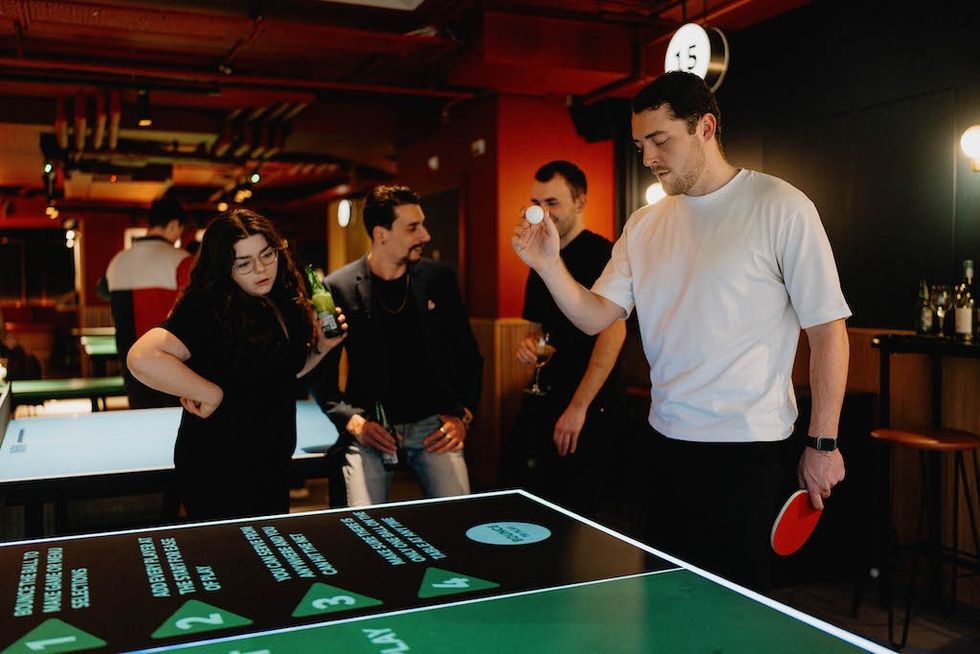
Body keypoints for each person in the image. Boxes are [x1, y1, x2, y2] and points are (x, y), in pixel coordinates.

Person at [512, 71, 850, 590]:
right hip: (662, 444)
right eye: (639, 144)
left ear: (706, 127)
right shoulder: (644, 225)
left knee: (736, 615)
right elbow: (595, 315)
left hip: (748, 450)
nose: (647, 156)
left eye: (660, 140)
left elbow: (828, 332)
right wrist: (549, 266)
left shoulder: (781, 206)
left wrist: (823, 443)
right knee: (665, 607)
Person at [127, 209, 345, 520]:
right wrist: (210, 393)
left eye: (268, 255)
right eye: (244, 263)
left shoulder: (278, 297)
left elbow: (282, 375)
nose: (261, 268)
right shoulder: (206, 307)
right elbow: (141, 357)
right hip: (219, 465)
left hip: (272, 460)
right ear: (223, 267)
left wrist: (321, 348)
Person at [310, 185, 483, 507]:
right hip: (372, 427)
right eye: (413, 227)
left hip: (434, 427)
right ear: (381, 233)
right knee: (362, 528)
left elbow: (469, 356)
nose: (425, 235)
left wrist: (464, 416)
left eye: (423, 224)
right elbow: (321, 376)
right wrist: (353, 422)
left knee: (460, 518)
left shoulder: (439, 279)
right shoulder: (339, 287)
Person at [505, 161, 625, 517]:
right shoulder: (539, 254)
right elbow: (538, 331)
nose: (542, 213)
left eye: (552, 202)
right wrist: (531, 348)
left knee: (581, 512)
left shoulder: (605, 254)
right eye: (536, 203)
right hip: (548, 395)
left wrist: (577, 408)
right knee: (530, 499)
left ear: (581, 202)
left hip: (591, 405)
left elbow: (613, 334)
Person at [106, 196, 194, 408]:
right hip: (171, 369)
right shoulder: (182, 260)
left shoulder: (117, 261)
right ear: (174, 224)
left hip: (130, 368)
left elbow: (102, 290)